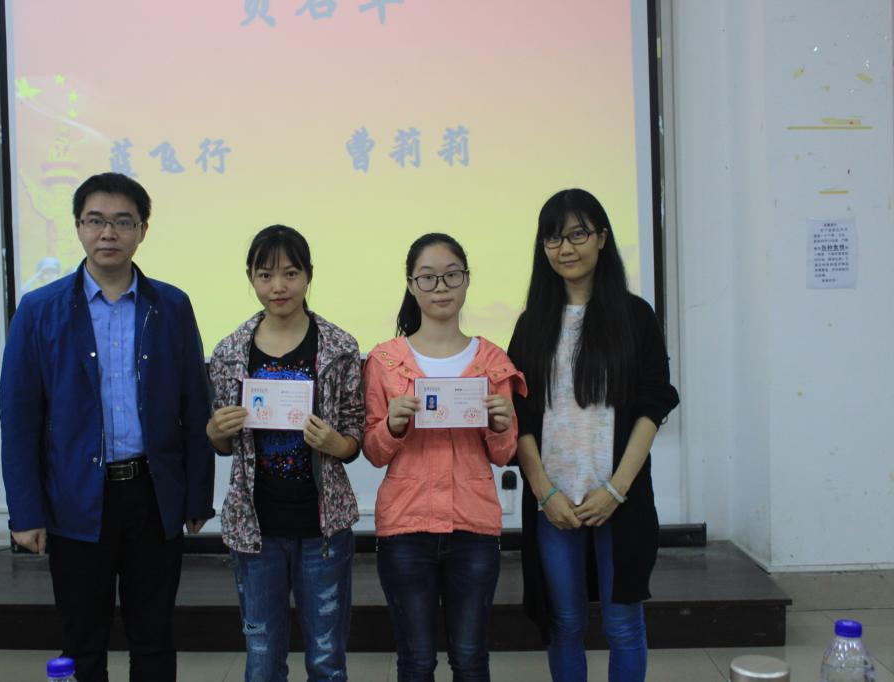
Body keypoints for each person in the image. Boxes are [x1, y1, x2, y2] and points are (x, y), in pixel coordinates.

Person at [0, 172, 214, 682]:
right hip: (75, 497)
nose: (108, 233)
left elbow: (195, 404)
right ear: (78, 227)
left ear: (143, 230)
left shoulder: (171, 306)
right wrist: (25, 511)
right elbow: (19, 417)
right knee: (82, 641)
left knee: (154, 637)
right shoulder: (39, 310)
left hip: (152, 495)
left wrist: (196, 497)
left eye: (123, 222)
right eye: (96, 221)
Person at [507, 189, 679, 681]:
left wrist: (616, 490)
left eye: (578, 234)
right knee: (564, 623)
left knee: (623, 623)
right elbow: (520, 416)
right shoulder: (532, 325)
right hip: (554, 501)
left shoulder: (635, 316)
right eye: (553, 238)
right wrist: (544, 492)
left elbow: (652, 406)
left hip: (619, 498)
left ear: (602, 238)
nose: (565, 248)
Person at [362, 233, 525, 682]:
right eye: (428, 277)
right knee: (415, 661)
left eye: (452, 275)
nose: (441, 287)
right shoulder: (385, 361)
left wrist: (500, 424)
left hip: (473, 527)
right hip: (405, 528)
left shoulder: (492, 360)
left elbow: (504, 454)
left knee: (470, 659)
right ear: (411, 285)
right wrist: (392, 425)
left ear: (467, 280)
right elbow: (373, 452)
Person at [206, 225, 365, 682]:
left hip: (323, 529)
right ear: (251, 278)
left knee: (327, 660)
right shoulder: (230, 352)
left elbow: (355, 433)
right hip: (255, 530)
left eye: (290, 274)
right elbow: (222, 443)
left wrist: (337, 443)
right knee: (262, 658)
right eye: (266, 275)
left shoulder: (339, 347)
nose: (278, 286)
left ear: (308, 275)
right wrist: (215, 430)